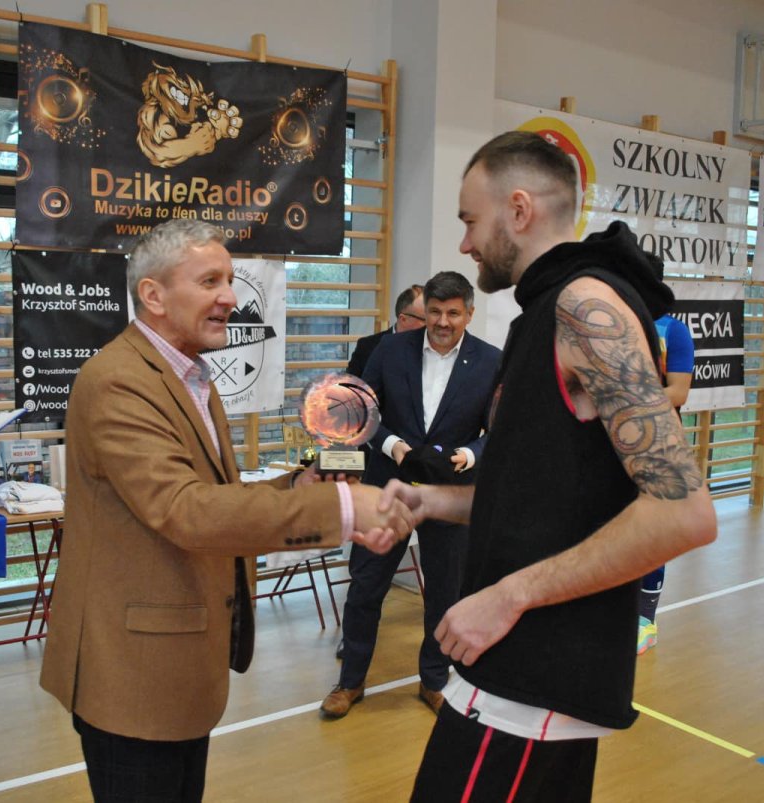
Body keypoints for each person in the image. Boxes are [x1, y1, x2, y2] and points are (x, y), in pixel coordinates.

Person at [379, 131, 716, 802]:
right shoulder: (544, 310)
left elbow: (685, 513)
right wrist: (433, 501)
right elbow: (541, 487)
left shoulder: (585, 308)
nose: (466, 244)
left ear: (519, 209)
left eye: (470, 221)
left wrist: (508, 595)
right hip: (513, 673)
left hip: (531, 682)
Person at [38, 219, 415, 803]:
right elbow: (185, 510)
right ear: (153, 295)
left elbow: (215, 492)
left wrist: (302, 484)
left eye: (231, 280)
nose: (230, 298)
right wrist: (341, 507)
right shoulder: (118, 381)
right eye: (210, 281)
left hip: (178, 666)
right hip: (134, 675)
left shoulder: (189, 374)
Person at [321, 271, 501, 718]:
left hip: (450, 495)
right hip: (388, 487)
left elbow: (498, 432)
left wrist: (468, 455)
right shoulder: (389, 350)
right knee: (366, 587)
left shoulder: (492, 361)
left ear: (469, 313)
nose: (442, 322)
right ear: (424, 313)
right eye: (435, 312)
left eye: (453, 313)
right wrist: (392, 446)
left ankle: (434, 680)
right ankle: (350, 682)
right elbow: (362, 411)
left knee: (444, 592)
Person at [638, 310, 694, 655]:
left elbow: (679, 392)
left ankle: (646, 621)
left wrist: (628, 402)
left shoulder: (673, 330)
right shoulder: (610, 322)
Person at [346, 283, 426, 378]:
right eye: (425, 319)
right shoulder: (367, 347)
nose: (432, 324)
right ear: (403, 319)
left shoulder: (433, 348)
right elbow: (350, 385)